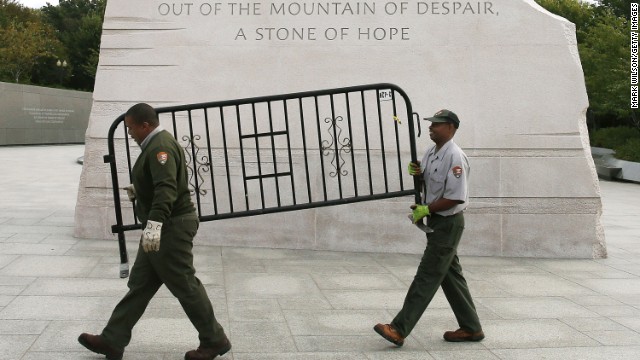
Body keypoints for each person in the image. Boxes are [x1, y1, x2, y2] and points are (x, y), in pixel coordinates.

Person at [78, 103, 231, 360]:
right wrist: (140, 191)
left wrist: (154, 225)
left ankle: (214, 340)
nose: (129, 133)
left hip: (170, 227)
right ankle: (112, 340)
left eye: (130, 128)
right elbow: (158, 184)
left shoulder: (160, 146)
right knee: (140, 284)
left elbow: (167, 188)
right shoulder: (156, 143)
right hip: (163, 226)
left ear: (145, 125)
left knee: (185, 285)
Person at [374, 109, 484, 346]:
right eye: (431, 124)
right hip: (438, 221)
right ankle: (471, 328)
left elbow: (456, 197)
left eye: (437, 124)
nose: (431, 127)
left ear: (451, 128)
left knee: (427, 275)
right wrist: (419, 175)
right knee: (450, 276)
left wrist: (427, 209)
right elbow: (432, 182)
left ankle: (399, 328)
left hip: (448, 223)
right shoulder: (431, 153)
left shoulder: (455, 157)